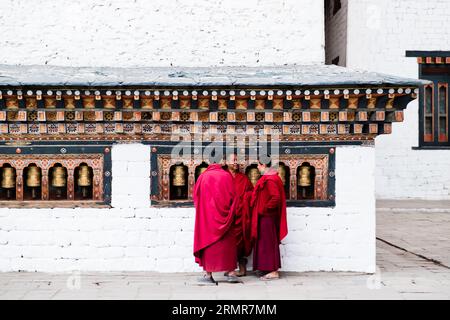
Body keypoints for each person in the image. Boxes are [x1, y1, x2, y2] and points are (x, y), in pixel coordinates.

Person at [193, 158, 240, 284]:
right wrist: (230, 213)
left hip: (207, 219)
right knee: (227, 243)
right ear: (222, 161)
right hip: (226, 217)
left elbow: (196, 198)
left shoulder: (203, 177)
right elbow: (234, 197)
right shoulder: (227, 176)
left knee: (209, 244)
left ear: (209, 161)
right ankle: (231, 273)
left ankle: (208, 275)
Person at [250, 158, 288, 280]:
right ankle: (265, 268)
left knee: (268, 243)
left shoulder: (270, 179)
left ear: (264, 164)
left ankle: (273, 271)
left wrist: (263, 209)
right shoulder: (270, 177)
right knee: (264, 243)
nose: (257, 168)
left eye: (258, 165)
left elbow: (275, 198)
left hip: (267, 217)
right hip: (265, 217)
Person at [224, 153, 254, 277]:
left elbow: (251, 193)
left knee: (241, 242)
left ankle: (242, 268)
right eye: (233, 160)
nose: (235, 163)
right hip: (227, 215)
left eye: (236, 160)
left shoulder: (243, 178)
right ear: (226, 162)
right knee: (228, 242)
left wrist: (244, 200)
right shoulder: (223, 177)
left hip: (241, 214)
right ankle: (230, 267)